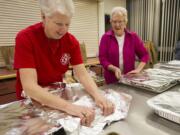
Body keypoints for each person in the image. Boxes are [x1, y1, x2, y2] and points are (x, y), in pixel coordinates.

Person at [14, 0, 114, 127]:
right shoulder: (25, 38)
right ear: (44, 16)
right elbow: (30, 87)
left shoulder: (71, 42)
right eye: (59, 24)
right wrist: (69, 107)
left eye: (67, 24)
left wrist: (98, 95)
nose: (63, 30)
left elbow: (82, 74)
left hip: (56, 99)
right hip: (31, 102)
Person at [99, 7, 149, 84]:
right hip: (111, 80)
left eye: (120, 21)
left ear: (125, 22)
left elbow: (145, 55)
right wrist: (114, 68)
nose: (117, 24)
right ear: (111, 22)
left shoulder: (133, 37)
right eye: (114, 21)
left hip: (129, 79)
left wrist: (138, 69)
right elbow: (102, 59)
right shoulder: (105, 38)